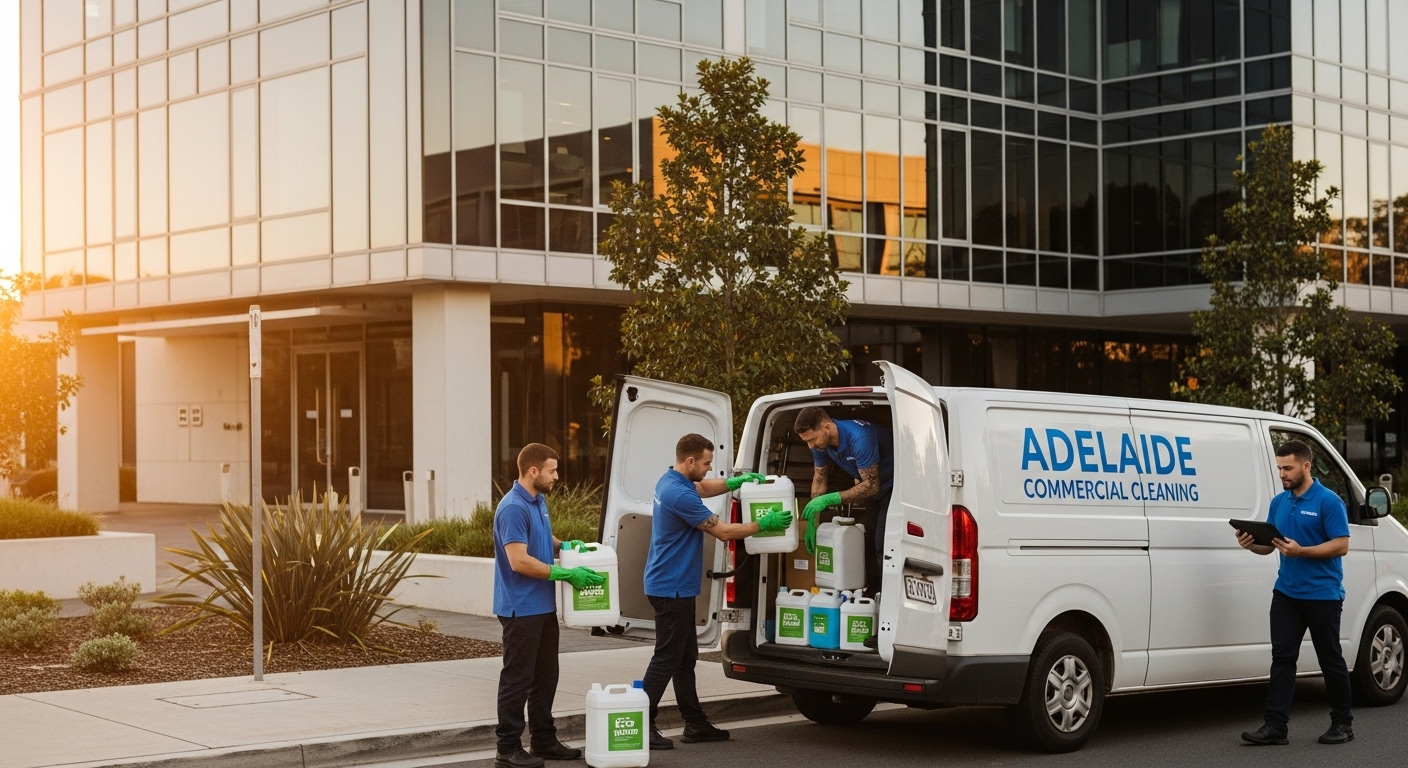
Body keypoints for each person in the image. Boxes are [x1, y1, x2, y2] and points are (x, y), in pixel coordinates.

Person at [641, 433, 790, 750]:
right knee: (667, 658)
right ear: (691, 461)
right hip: (672, 588)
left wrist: (736, 483)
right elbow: (723, 532)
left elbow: (704, 487)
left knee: (684, 658)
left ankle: (695, 723)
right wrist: (763, 523)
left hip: (672, 584)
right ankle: (643, 724)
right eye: (707, 463)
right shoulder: (680, 496)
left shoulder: (672, 481)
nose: (710, 470)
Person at [492, 443, 606, 768]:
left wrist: (565, 546)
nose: (557, 476)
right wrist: (564, 572)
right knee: (518, 678)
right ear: (533, 471)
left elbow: (541, 539)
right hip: (520, 608)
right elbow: (518, 560)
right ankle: (507, 748)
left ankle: (543, 740)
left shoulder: (538, 500)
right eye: (552, 470)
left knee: (545, 677)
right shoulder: (513, 507)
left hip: (542, 606)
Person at [1237, 439, 1354, 747]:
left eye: (1287, 468)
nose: (1282, 474)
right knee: (1283, 659)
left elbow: (1341, 544)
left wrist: (1302, 551)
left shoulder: (1329, 502)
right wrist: (1252, 544)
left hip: (1323, 595)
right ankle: (1275, 726)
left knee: (1330, 659)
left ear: (1306, 466)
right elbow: (1269, 547)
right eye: (1279, 468)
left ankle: (1343, 723)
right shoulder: (1280, 502)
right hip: (1287, 594)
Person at [794, 406, 894, 595]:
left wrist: (832, 498)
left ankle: (889, 597)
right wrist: (813, 520)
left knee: (883, 543)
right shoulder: (821, 444)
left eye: (812, 440)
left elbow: (871, 484)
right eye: (806, 442)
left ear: (827, 428)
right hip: (873, 492)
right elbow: (820, 477)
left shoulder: (859, 437)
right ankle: (873, 594)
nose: (810, 446)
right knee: (869, 544)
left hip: (893, 486)